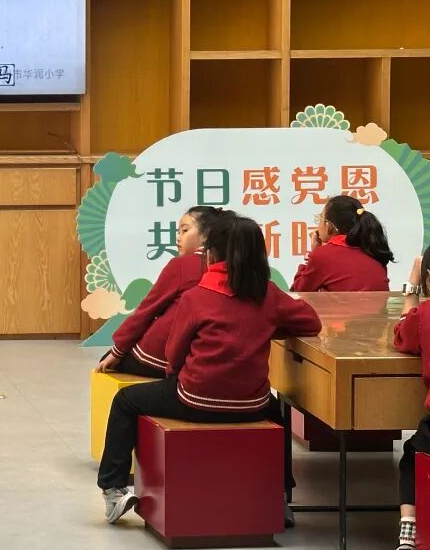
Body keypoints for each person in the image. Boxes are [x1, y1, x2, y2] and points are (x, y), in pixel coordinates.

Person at [97, 212, 322, 524]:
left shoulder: (197, 297)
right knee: (277, 412)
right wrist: (268, 327)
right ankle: (280, 496)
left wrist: (177, 377)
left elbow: (174, 355)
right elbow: (311, 323)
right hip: (251, 406)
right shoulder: (268, 294)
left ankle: (113, 490)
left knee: (125, 401)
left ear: (212, 254)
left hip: (195, 400)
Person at [97, 206, 224, 379]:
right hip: (203, 361)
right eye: (178, 231)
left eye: (185, 230)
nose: (178, 237)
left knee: (107, 360)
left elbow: (147, 310)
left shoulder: (182, 265)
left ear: (206, 235)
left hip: (161, 359)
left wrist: (118, 350)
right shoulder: (231, 267)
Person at [392, 235, 430, 550]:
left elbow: (402, 335)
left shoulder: (428, 313)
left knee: (412, 455)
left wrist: (411, 291)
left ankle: (407, 546)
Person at [291, 195, 392, 292]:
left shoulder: (323, 255)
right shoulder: (373, 250)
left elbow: (298, 291)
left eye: (320, 219)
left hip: (346, 305)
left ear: (328, 226)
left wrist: (314, 252)